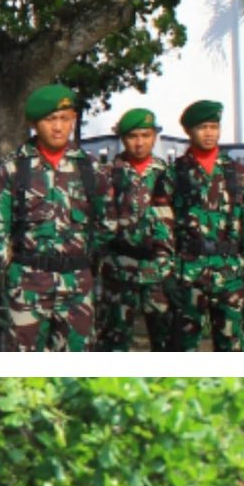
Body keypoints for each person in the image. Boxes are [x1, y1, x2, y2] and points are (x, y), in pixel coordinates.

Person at [0, 86, 104, 351]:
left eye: (65, 119)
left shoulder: (91, 168)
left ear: (73, 119)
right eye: (50, 120)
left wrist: (101, 278)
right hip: (28, 285)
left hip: (77, 286)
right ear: (34, 123)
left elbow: (104, 227)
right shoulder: (14, 168)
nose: (58, 127)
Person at [167, 100, 244, 352]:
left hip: (229, 272)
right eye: (203, 127)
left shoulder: (238, 173)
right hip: (188, 270)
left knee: (232, 346)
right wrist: (168, 270)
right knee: (184, 346)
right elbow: (162, 225)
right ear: (189, 131)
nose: (209, 133)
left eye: (214, 127)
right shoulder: (174, 174)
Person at [96, 108, 176, 350]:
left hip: (160, 272)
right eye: (133, 136)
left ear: (154, 137)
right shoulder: (107, 175)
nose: (140, 143)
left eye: (146, 135)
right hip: (120, 269)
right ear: (122, 138)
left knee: (166, 343)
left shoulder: (169, 175)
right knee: (114, 343)